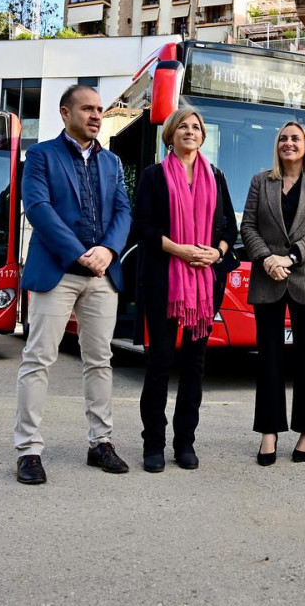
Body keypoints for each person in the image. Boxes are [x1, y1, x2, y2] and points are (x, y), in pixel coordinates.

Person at [14, 84, 132, 485]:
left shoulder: (112, 162)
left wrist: (109, 251)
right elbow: (39, 209)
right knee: (38, 360)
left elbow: (122, 210)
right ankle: (28, 450)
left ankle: (101, 442)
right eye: (87, 109)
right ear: (66, 113)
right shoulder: (41, 156)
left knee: (100, 361)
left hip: (102, 275)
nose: (96, 115)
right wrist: (79, 252)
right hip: (57, 272)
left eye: (100, 109)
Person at [133, 107, 236, 473]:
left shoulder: (217, 177)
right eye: (183, 127)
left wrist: (216, 251)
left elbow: (229, 230)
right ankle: (154, 445)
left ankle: (185, 443)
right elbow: (142, 227)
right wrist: (179, 249)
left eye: (196, 127)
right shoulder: (154, 176)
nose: (190, 131)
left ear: (203, 137)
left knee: (195, 365)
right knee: (160, 362)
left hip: (205, 285)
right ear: (171, 135)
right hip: (165, 281)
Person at [241, 121, 305, 466]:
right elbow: (248, 225)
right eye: (283, 138)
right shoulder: (260, 181)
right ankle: (269, 431)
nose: (288, 143)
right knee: (269, 357)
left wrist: (292, 256)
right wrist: (267, 259)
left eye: (295, 138)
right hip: (268, 277)